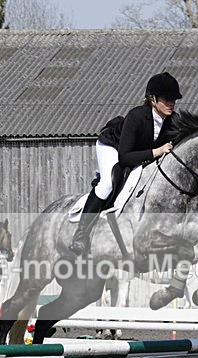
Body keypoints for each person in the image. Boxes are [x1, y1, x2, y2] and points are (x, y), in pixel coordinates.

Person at [69, 71, 182, 256]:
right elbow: (124, 157)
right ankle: (81, 235)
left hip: (137, 152)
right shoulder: (137, 116)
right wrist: (157, 151)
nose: (171, 103)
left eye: (174, 100)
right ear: (153, 99)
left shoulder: (172, 120)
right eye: (166, 99)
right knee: (107, 183)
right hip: (113, 147)